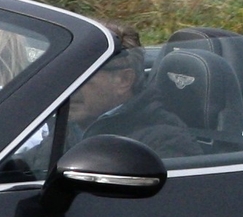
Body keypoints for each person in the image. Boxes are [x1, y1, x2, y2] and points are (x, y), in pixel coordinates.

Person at [63, 28, 203, 158]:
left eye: (84, 75)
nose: (70, 86)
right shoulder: (69, 124)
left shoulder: (164, 143)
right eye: (69, 74)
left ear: (124, 80)